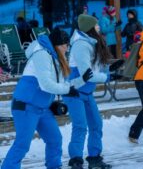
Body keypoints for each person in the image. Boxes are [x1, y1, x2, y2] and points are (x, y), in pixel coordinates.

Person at [1, 28, 81, 169]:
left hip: (42, 108)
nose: (67, 48)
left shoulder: (55, 58)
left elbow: (63, 83)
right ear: (58, 44)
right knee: (22, 144)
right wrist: (68, 90)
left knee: (55, 139)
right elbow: (46, 85)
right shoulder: (42, 55)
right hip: (26, 106)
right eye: (65, 45)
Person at [65, 14, 113, 169]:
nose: (99, 27)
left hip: (86, 92)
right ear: (90, 28)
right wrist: (106, 77)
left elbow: (96, 68)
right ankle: (76, 160)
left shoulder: (92, 42)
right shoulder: (81, 45)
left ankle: (94, 158)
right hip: (75, 92)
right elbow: (88, 74)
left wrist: (112, 71)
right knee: (80, 126)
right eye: (97, 25)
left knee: (96, 125)